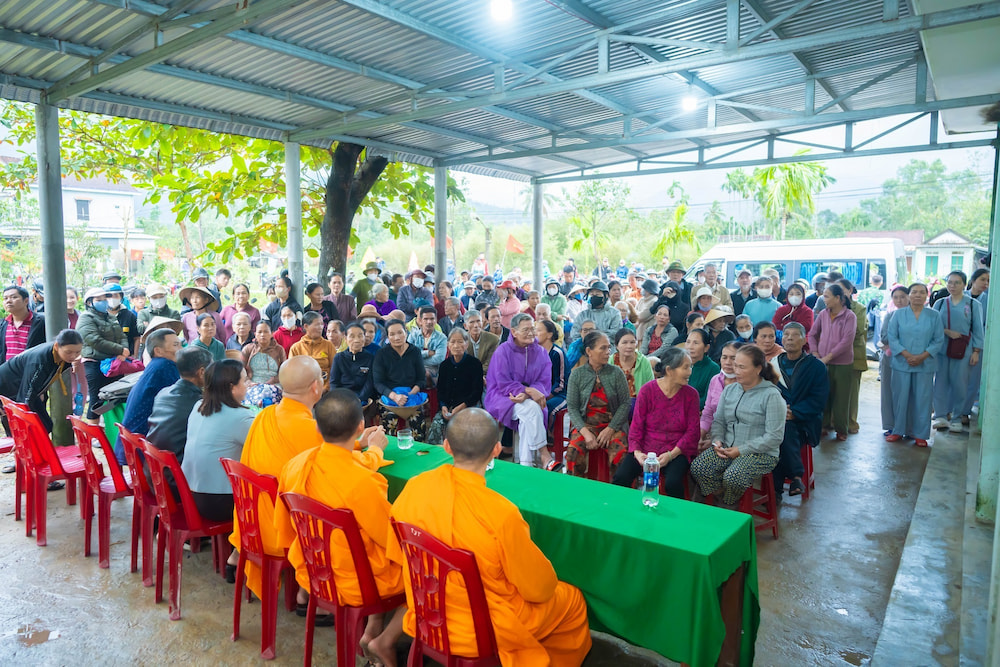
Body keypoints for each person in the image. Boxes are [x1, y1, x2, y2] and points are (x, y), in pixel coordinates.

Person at [387, 408, 592, 665]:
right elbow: (539, 589)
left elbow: (396, 552)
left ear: (447, 447)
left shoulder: (416, 487)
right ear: (496, 450)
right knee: (571, 600)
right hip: (482, 627)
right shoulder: (501, 513)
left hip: (426, 611)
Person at [234, 356, 386, 600]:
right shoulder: (307, 428)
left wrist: (356, 441)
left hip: (252, 522)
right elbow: (344, 466)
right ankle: (310, 592)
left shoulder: (264, 415)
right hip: (291, 531)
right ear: (316, 387)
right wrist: (374, 450)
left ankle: (305, 592)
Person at [273, 390, 403, 665]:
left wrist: (372, 453)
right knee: (420, 568)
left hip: (314, 571)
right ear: (360, 427)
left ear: (317, 426)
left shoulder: (295, 465)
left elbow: (283, 526)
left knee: (368, 547)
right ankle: (385, 639)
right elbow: (390, 539)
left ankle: (371, 627)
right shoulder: (362, 483)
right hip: (353, 580)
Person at [690, 345, 785, 508]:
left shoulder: (771, 395)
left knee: (733, 476)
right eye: (736, 366)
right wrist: (717, 440)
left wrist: (741, 450)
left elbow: (774, 437)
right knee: (699, 467)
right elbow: (719, 420)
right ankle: (722, 499)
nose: (737, 371)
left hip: (760, 453)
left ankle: (728, 507)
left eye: (742, 367)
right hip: (727, 447)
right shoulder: (730, 390)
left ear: (758, 369)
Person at [614, 347, 699, 498]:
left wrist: (671, 455)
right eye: (685, 367)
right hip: (647, 448)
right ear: (670, 370)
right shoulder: (648, 391)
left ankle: (674, 519)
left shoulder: (691, 395)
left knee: (672, 483)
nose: (690, 371)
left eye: (690, 367)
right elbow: (636, 426)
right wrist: (638, 453)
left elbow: (692, 432)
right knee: (621, 477)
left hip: (676, 449)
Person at [180, 359, 255, 521]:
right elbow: (262, 449)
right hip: (217, 502)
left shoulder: (199, 406)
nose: (248, 384)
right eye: (244, 380)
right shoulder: (240, 417)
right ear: (231, 387)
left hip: (188, 495)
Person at [484, 313, 553, 467]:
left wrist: (529, 392)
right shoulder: (503, 351)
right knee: (531, 410)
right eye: (525, 329)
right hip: (502, 396)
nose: (530, 333)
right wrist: (527, 391)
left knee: (529, 413)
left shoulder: (540, 352)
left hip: (529, 398)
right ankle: (544, 454)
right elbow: (502, 382)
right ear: (514, 332)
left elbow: (544, 379)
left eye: (532, 329)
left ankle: (525, 464)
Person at [771, 323, 829, 502]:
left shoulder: (816, 367)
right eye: (786, 334)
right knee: (779, 431)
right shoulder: (774, 364)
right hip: (777, 418)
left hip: (805, 421)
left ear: (804, 339)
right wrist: (780, 411)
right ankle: (795, 477)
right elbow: (766, 393)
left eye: (795, 335)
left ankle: (776, 490)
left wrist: (794, 412)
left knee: (782, 432)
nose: (789, 338)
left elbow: (818, 400)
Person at [565, 331, 630, 478]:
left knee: (621, 455)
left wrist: (611, 428)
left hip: (613, 425)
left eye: (609, 348)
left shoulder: (616, 373)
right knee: (573, 453)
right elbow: (572, 407)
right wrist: (585, 432)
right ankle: (577, 492)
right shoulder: (577, 374)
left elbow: (625, 403)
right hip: (586, 425)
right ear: (589, 351)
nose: (608, 352)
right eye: (603, 348)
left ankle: (618, 494)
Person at [112, 329, 182, 463]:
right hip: (142, 450)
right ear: (158, 351)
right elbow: (181, 400)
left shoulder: (155, 366)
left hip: (130, 445)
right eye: (175, 345)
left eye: (179, 344)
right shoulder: (165, 365)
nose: (181, 349)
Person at [887, 283, 944, 447]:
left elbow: (938, 339)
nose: (917, 295)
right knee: (900, 397)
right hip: (901, 363)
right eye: (914, 292)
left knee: (923, 399)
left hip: (925, 364)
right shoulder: (898, 315)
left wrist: (922, 356)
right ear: (909, 295)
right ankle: (898, 430)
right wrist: (907, 355)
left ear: (927, 295)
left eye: (921, 292)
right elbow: (892, 337)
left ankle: (920, 434)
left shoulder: (934, 316)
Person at [0, 329, 83, 434]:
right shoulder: (40, 361)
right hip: (7, 390)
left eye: (77, 352)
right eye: (69, 352)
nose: (73, 356)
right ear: (57, 346)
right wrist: (21, 430)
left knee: (46, 425)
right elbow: (25, 397)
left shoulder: (61, 357)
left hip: (20, 391)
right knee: (27, 431)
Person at [931, 270, 984, 433]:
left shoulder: (974, 305)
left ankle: (956, 417)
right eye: (949, 282)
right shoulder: (939, 303)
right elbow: (933, 327)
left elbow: (977, 329)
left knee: (960, 384)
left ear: (964, 284)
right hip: (942, 349)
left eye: (957, 282)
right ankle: (940, 415)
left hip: (964, 350)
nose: (952, 286)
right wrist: (947, 332)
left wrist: (976, 351)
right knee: (940, 382)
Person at [807, 283, 858, 441]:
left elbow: (846, 341)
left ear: (838, 298)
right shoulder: (823, 314)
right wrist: (815, 353)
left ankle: (841, 429)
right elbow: (812, 334)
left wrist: (827, 357)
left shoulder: (850, 316)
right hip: (822, 361)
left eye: (827, 296)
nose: (824, 298)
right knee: (823, 395)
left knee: (841, 398)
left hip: (842, 363)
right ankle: (823, 425)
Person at [145, 346, 212, 461]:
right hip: (177, 474)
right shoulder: (199, 404)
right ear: (202, 372)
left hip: (154, 467)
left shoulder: (163, 393)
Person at [77, 287, 128, 423]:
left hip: (113, 362)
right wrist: (119, 350)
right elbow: (94, 340)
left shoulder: (111, 317)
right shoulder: (85, 318)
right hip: (94, 363)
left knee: (114, 396)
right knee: (96, 397)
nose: (104, 302)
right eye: (99, 300)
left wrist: (124, 350)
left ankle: (110, 427)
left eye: (105, 299)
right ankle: (94, 432)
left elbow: (121, 335)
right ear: (89, 302)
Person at [426, 327, 484, 444]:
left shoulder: (475, 364)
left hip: (468, 406)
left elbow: (477, 392)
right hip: (448, 408)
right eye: (453, 342)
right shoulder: (444, 365)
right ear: (448, 345)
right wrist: (443, 407)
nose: (456, 345)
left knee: (466, 431)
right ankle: (439, 458)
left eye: (460, 341)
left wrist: (461, 407)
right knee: (435, 427)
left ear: (466, 344)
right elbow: (440, 391)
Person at [373, 319, 427, 437]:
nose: (397, 337)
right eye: (392, 334)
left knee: (417, 421)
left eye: (400, 333)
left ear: (406, 332)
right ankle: (392, 453)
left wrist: (411, 393)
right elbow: (378, 383)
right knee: (390, 420)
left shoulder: (415, 352)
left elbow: (421, 379)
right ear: (387, 336)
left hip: (411, 396)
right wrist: (394, 396)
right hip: (390, 397)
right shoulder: (381, 354)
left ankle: (418, 452)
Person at [837, 279, 869, 435]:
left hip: (853, 354)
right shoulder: (831, 307)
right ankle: (834, 422)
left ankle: (851, 422)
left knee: (851, 392)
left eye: (843, 289)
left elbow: (857, 331)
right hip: (833, 355)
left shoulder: (859, 309)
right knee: (834, 390)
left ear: (850, 291)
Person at [879, 286, 910, 434]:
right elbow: (884, 338)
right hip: (891, 359)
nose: (899, 300)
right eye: (896, 297)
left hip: (911, 360)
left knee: (910, 394)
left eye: (903, 296)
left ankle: (910, 427)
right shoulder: (889, 316)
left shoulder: (919, 316)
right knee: (889, 392)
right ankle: (891, 426)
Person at [700, 341, 741, 446]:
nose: (727, 362)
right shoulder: (715, 380)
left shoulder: (745, 383)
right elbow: (708, 413)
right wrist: (700, 437)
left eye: (733, 358)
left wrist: (714, 441)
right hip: (714, 433)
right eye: (724, 357)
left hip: (737, 439)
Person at [963, 268, 989, 418]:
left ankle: (964, 412)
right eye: (982, 280)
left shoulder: (988, 300)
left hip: (977, 344)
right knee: (954, 378)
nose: (985, 283)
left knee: (973, 379)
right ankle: (949, 410)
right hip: (959, 343)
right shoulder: (962, 297)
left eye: (988, 281)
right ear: (973, 280)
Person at [610, 328, 653, 414]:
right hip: (614, 407)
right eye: (624, 342)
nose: (629, 346)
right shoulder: (610, 362)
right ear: (616, 345)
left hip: (639, 406)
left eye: (632, 342)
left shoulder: (644, 362)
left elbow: (651, 388)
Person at [0, 285, 46, 366]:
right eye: (5, 298)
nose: (8, 301)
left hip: (31, 372)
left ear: (26, 301)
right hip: (7, 373)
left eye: (13, 297)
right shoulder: (3, 324)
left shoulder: (41, 322)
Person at [289, 311, 336, 390]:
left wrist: (325, 388)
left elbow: (335, 370)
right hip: (303, 390)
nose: (321, 327)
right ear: (306, 326)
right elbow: (291, 373)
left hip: (325, 390)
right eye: (317, 324)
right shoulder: (296, 348)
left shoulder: (328, 345)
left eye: (322, 324)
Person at [331, 322, 376, 402]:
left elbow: (369, 384)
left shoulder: (370, 358)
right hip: (343, 398)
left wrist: (359, 399)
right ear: (345, 338)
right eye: (352, 336)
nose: (356, 340)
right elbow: (334, 383)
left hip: (363, 399)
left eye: (360, 336)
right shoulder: (339, 358)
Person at [534, 319, 568, 422]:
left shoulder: (557, 353)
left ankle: (549, 437)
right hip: (539, 394)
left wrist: (544, 397)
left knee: (546, 408)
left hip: (560, 394)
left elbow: (561, 384)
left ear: (549, 335)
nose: (535, 333)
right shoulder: (534, 353)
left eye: (539, 330)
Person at [569, 281, 621, 346]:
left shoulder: (614, 313)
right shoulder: (583, 315)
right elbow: (575, 334)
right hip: (586, 352)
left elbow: (616, 334)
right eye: (592, 295)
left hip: (609, 351)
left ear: (606, 295)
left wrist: (592, 336)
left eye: (597, 294)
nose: (594, 297)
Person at [686, 328, 721, 409]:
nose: (690, 347)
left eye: (696, 343)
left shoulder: (713, 368)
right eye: (688, 342)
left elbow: (707, 399)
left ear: (706, 348)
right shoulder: (679, 363)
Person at [243, 321, 285, 386]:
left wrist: (274, 380)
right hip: (252, 385)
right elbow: (241, 369)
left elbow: (284, 371)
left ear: (272, 334)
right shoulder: (248, 349)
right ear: (255, 334)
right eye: (259, 332)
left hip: (274, 384)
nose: (262, 335)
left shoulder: (279, 350)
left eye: (266, 332)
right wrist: (248, 382)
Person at [463, 309, 499, 375]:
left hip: (487, 375)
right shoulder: (462, 340)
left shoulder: (493, 339)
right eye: (472, 322)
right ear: (465, 326)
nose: (476, 325)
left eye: (478, 321)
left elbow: (490, 363)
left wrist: (476, 375)